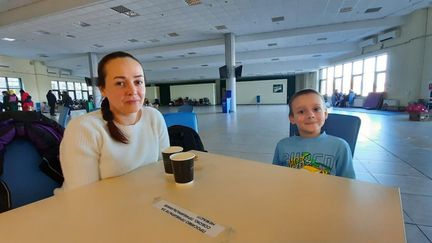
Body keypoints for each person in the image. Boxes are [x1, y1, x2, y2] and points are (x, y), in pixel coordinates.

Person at [59, 51, 170, 190]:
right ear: (103, 89)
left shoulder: (154, 117)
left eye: (138, 82)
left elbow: (163, 170)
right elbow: (84, 197)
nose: (132, 90)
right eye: (120, 83)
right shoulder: (83, 129)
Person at [272, 89, 355, 179]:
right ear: (292, 118)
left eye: (316, 109)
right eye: (301, 111)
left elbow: (348, 183)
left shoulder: (340, 147)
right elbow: (277, 177)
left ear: (325, 113)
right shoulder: (282, 145)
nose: (310, 115)